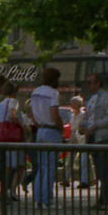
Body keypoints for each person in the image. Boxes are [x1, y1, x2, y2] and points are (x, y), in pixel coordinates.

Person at [79, 73, 108, 210]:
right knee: (99, 170)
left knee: (105, 169)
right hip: (92, 137)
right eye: (87, 82)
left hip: (104, 137)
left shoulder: (106, 97)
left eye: (91, 82)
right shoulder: (90, 99)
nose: (88, 85)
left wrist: (94, 126)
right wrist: (83, 125)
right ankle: (103, 199)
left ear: (98, 83)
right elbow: (89, 118)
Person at [30, 67, 64, 207]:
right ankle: (47, 199)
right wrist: (60, 126)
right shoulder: (53, 93)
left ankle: (38, 198)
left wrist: (38, 123)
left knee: (41, 166)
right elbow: (54, 113)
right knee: (50, 167)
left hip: (40, 130)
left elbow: (30, 112)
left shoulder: (35, 92)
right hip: (51, 130)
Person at [0, 82, 27, 202]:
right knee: (20, 165)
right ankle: (12, 189)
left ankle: (3, 190)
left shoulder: (0, 104)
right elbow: (13, 116)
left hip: (1, 136)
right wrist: (23, 125)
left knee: (6, 166)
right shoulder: (13, 101)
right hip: (13, 137)